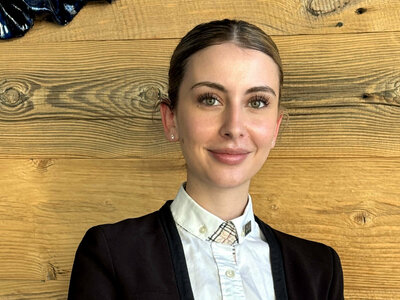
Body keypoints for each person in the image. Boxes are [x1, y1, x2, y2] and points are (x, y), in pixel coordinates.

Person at [68, 19, 344, 300]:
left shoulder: (319, 270)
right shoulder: (112, 254)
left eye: (257, 102)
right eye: (210, 99)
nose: (234, 127)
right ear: (171, 119)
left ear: (275, 127)